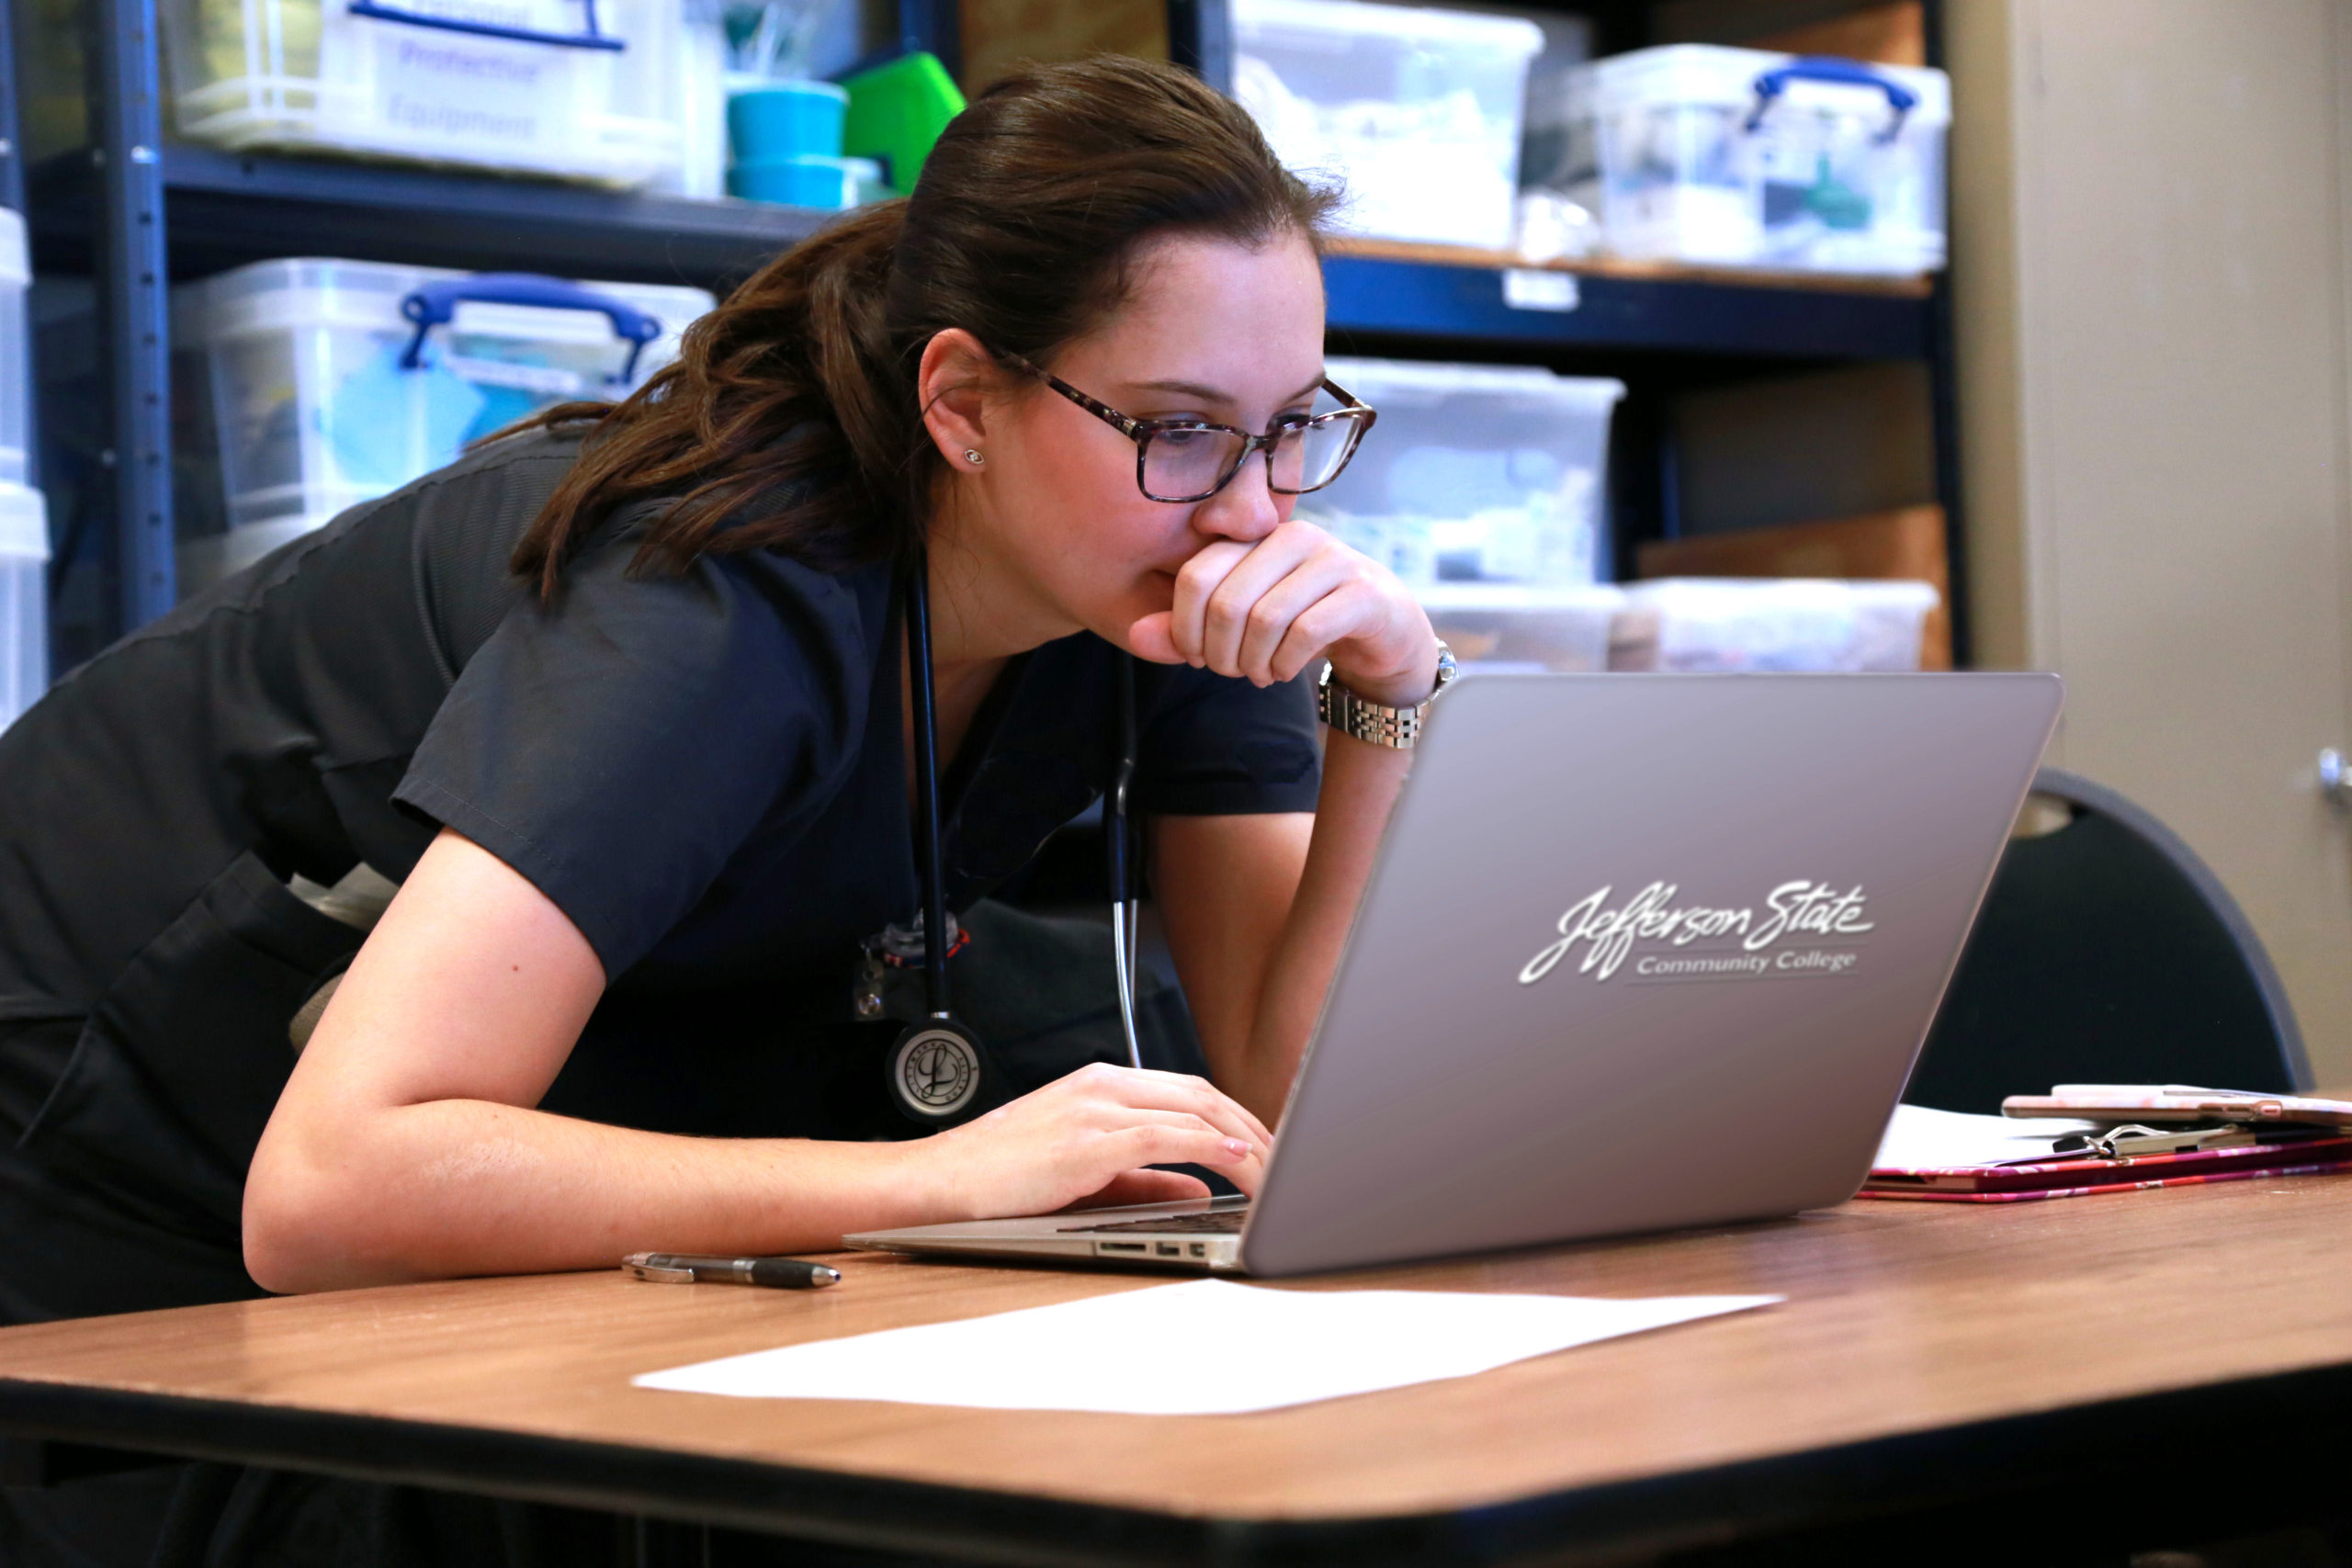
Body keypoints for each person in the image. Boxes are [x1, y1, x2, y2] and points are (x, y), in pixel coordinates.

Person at [0, 54, 1442, 1563]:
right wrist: (939, 1183)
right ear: (961, 402)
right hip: (111, 1087)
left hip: (441, 1072)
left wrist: (1390, 697)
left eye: (1296, 426)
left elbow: (1300, 1111)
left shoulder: (1171, 566)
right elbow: (333, 1186)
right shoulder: (717, 598)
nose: (1257, 508)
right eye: (1184, 425)